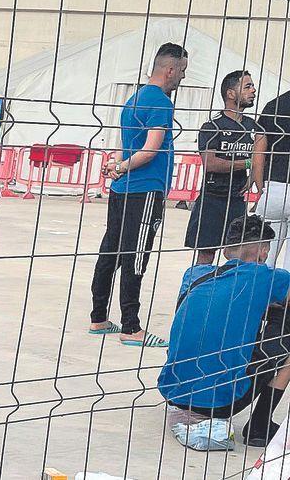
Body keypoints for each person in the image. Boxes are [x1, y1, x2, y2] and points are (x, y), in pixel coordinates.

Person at [158, 215, 290, 448]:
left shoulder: (194, 274)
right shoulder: (266, 277)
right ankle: (260, 425)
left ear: (227, 251)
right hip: (218, 402)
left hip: (173, 391)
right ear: (263, 251)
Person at [90, 42, 187, 347]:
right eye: (182, 71)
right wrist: (121, 166)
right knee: (137, 256)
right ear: (170, 69)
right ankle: (131, 327)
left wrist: (117, 167)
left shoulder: (133, 99)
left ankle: (99, 317)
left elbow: (126, 145)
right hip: (144, 189)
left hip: (123, 189)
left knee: (111, 252)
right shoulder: (159, 102)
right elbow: (148, 150)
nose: (182, 78)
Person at [186, 70, 263, 266]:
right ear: (230, 94)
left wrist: (256, 172)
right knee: (205, 257)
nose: (253, 90)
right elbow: (211, 164)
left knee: (240, 256)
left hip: (237, 200)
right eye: (247, 86)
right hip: (212, 199)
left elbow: (264, 155)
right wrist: (248, 163)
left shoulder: (253, 127)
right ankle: (196, 293)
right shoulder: (212, 126)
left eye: (252, 86)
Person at [257, 84, 290, 269]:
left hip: (273, 187)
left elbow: (258, 154)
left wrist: (261, 187)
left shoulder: (273, 106)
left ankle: (261, 296)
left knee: (263, 260)